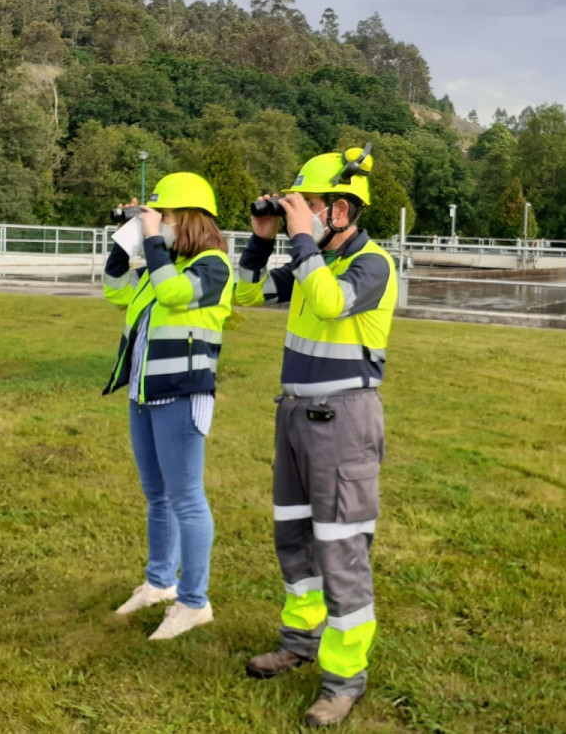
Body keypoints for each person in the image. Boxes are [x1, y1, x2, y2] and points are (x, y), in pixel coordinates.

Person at [234, 146, 397, 727]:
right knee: (295, 538)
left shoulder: (372, 264)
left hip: (344, 419)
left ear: (341, 210)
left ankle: (344, 679)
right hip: (295, 416)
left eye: (310, 204)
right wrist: (261, 239)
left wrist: (301, 237)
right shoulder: (312, 263)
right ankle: (299, 642)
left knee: (341, 546)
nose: (298, 214)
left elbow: (330, 305)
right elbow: (246, 293)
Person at [102, 172, 234, 641]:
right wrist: (125, 240)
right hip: (144, 392)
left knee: (187, 499)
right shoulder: (163, 267)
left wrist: (154, 241)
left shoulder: (213, 266)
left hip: (181, 392)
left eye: (167, 216)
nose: (160, 225)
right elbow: (115, 289)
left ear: (191, 219)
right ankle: (159, 582)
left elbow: (174, 294)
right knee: (157, 494)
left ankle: (194, 602)